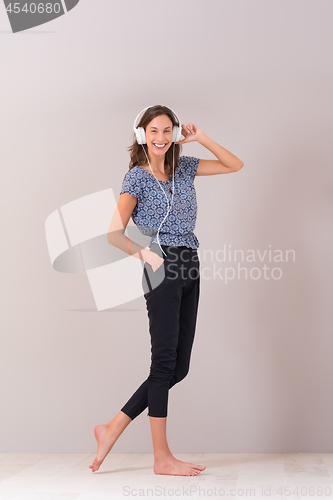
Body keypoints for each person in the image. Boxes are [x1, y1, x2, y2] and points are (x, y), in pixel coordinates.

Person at [89, 105, 244, 476]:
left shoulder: (185, 167)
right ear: (142, 134)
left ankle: (111, 428)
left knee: (179, 367)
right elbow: (113, 233)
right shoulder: (137, 179)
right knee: (163, 365)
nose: (160, 138)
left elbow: (234, 164)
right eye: (153, 131)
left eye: (167, 131)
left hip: (190, 262)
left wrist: (201, 138)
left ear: (175, 133)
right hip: (161, 265)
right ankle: (162, 458)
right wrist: (146, 254)